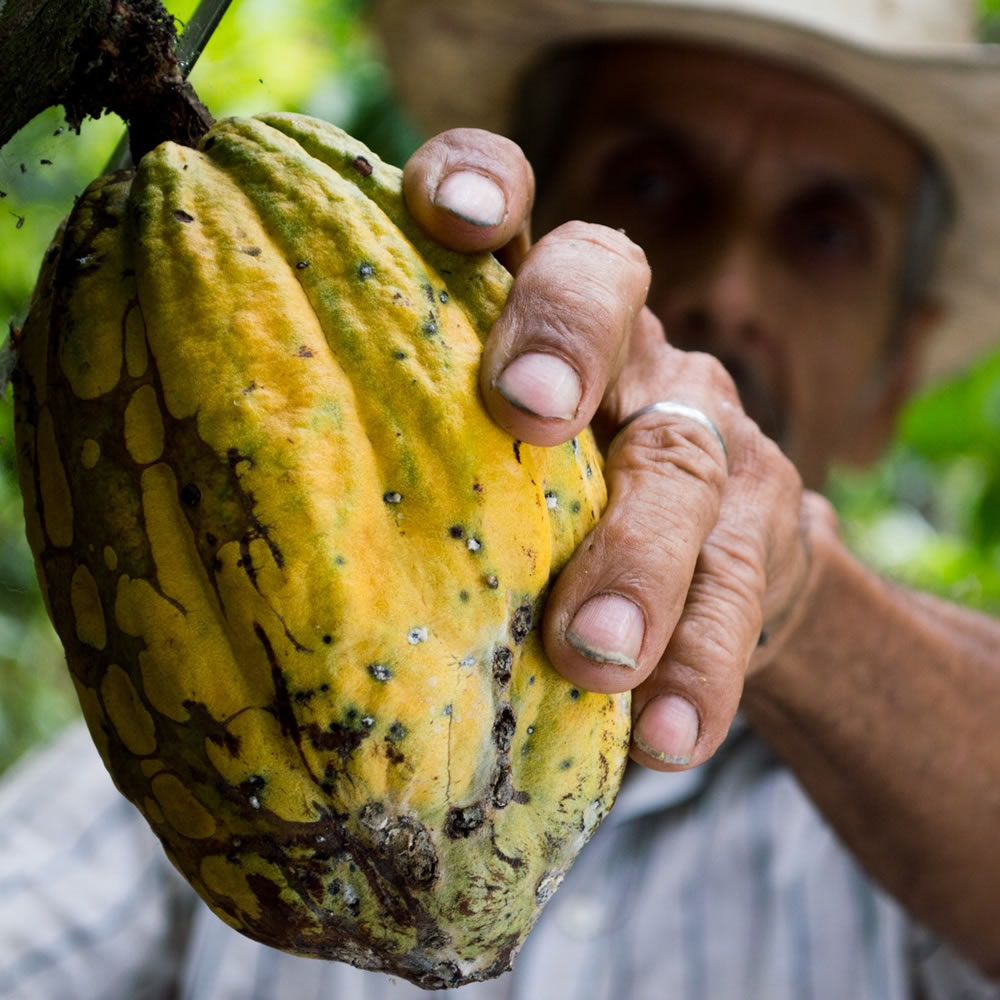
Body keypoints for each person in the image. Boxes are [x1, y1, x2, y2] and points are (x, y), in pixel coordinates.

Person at [2, 0, 1000, 996]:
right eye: (649, 179)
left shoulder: (908, 842)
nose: (728, 289)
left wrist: (795, 601)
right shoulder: (215, 712)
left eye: (823, 233)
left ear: (899, 365)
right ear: (514, 229)